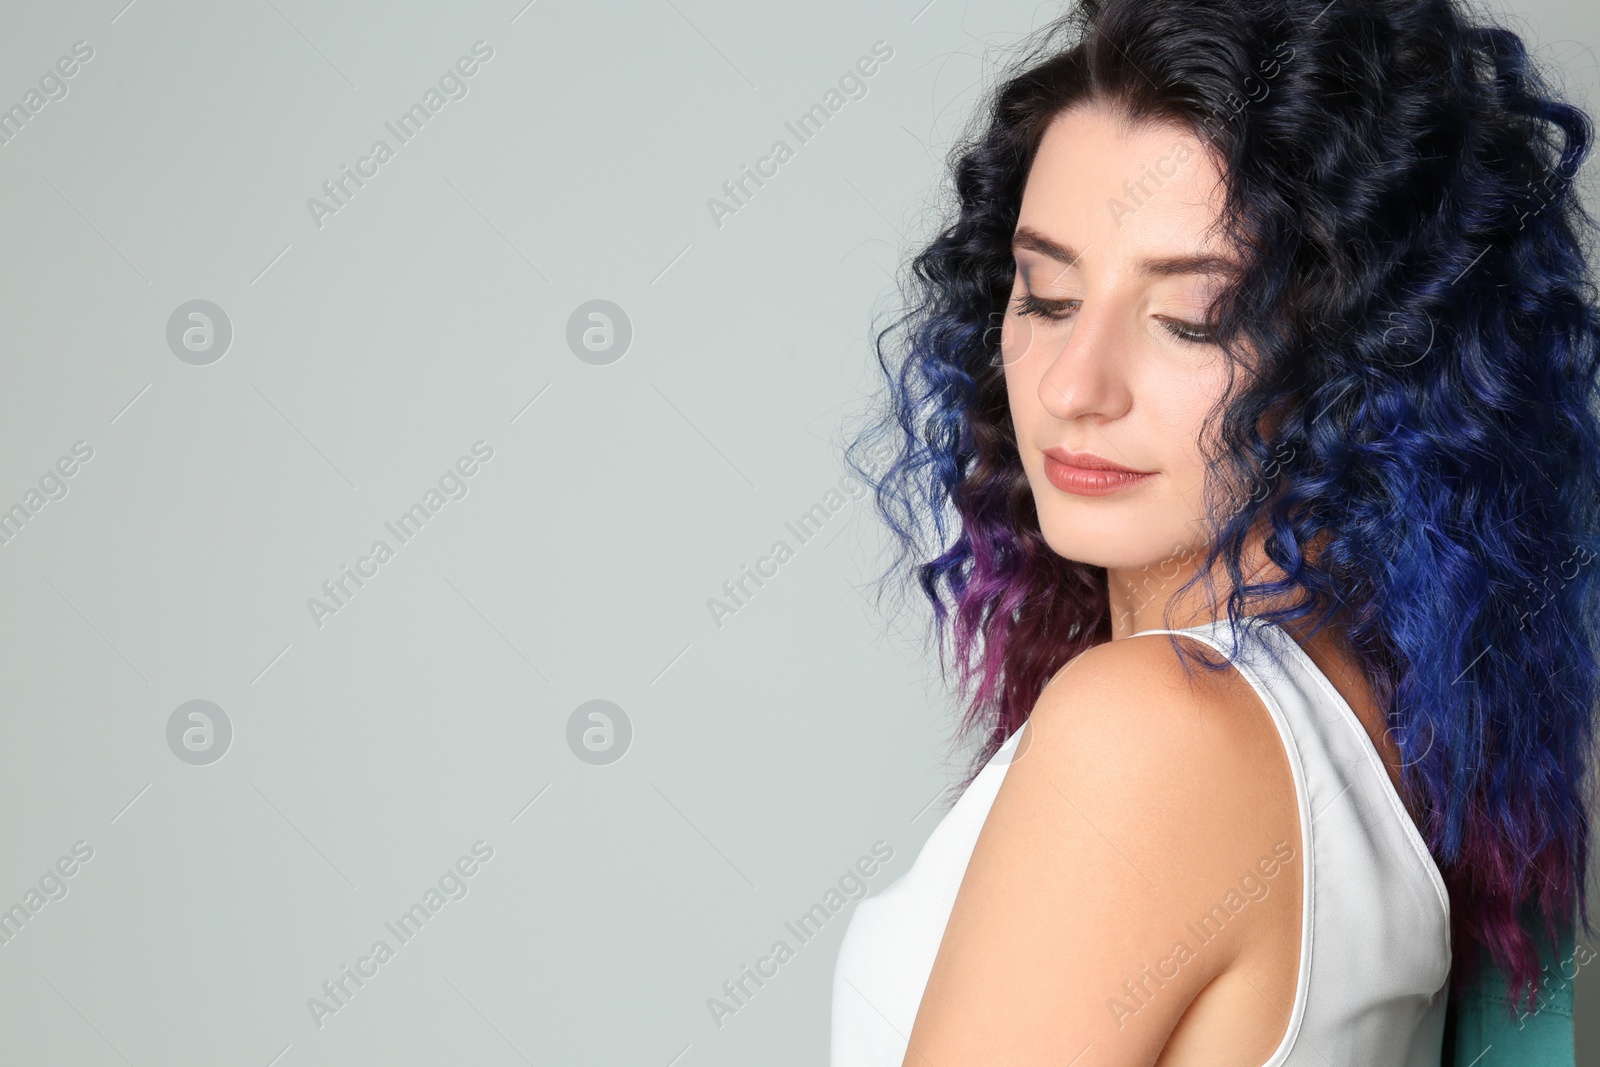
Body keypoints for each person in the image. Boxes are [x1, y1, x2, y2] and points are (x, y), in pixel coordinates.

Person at [833, 0, 1599, 1063]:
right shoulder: (1373, 716)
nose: (1072, 384)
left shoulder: (1156, 728)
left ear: (1363, 354)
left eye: (1192, 318)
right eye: (1047, 295)